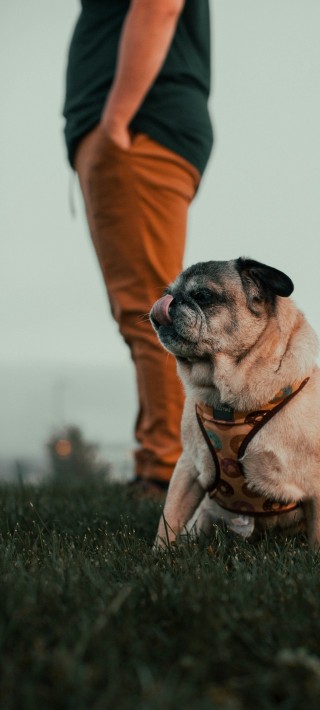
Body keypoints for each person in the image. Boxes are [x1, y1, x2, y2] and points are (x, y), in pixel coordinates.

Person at [63, 0, 213, 499]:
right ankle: (167, 463)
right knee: (145, 312)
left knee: (154, 313)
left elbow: (159, 5)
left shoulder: (127, 124)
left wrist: (115, 121)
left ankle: (166, 471)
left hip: (138, 127)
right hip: (141, 127)